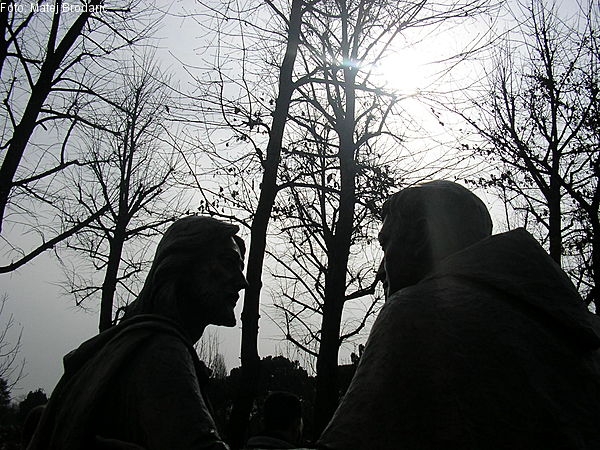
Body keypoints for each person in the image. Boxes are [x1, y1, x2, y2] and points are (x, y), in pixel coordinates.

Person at [318, 181, 600, 450]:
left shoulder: (416, 311)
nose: (380, 271)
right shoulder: (581, 329)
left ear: (422, 236)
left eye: (385, 244)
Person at [27, 216, 249, 450]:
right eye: (228, 262)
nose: (242, 282)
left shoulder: (131, 347)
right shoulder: (161, 350)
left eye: (240, 268)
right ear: (181, 265)